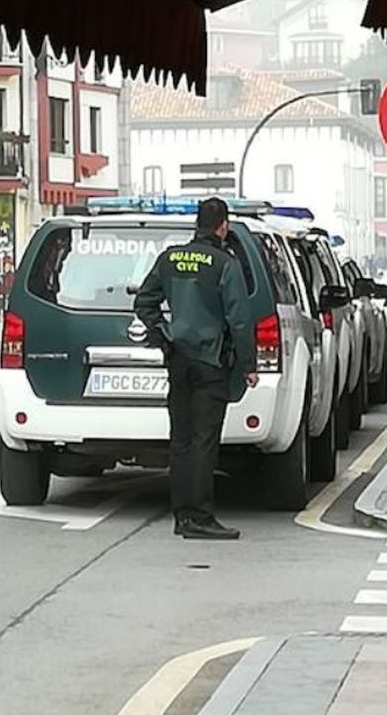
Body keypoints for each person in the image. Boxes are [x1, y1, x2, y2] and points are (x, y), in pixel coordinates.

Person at [134, 197, 257, 541]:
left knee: (181, 441)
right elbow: (239, 319)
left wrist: (162, 336)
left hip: (178, 359)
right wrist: (248, 364)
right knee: (204, 441)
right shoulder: (224, 263)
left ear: (196, 224)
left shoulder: (170, 258)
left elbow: (144, 301)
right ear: (224, 226)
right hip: (210, 360)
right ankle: (201, 516)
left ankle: (182, 516)